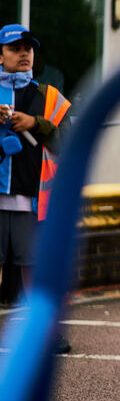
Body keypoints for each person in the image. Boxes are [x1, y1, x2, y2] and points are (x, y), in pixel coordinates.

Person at [0, 23, 72, 352]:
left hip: (33, 200)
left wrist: (36, 123)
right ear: (0, 55)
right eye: (15, 48)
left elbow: (68, 142)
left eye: (28, 48)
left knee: (34, 268)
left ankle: (43, 334)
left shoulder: (49, 97)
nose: (24, 53)